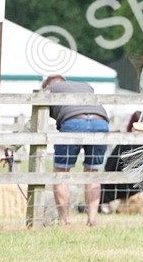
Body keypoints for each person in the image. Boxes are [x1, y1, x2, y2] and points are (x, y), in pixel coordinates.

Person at [41, 74, 109, 226]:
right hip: (100, 121)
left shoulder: (48, 92)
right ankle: (92, 220)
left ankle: (64, 221)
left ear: (47, 86)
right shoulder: (85, 85)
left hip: (73, 120)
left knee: (61, 172)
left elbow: (36, 119)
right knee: (92, 173)